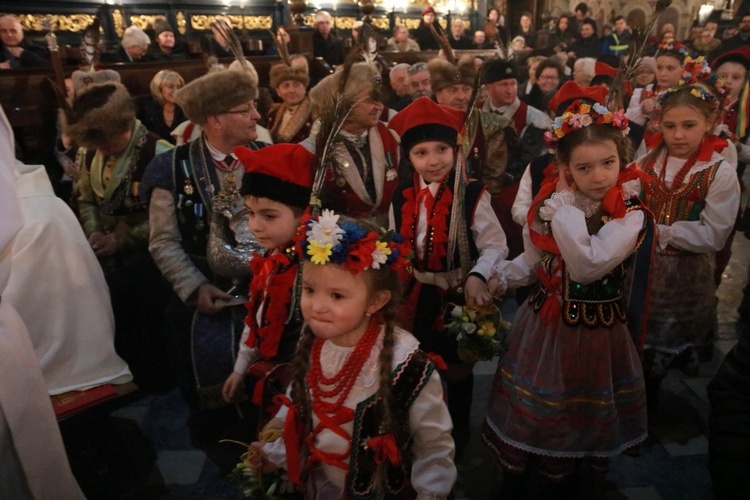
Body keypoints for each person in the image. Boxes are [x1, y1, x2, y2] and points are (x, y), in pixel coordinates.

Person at [483, 95, 649, 496]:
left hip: (597, 331)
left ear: (622, 159)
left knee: (583, 408)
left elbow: (586, 264)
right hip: (543, 324)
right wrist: (499, 277)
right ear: (566, 169)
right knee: (542, 405)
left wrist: (563, 208)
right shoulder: (553, 205)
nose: (599, 176)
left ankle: (576, 478)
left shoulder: (630, 213)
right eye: (584, 167)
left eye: (609, 163)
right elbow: (536, 259)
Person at [247, 212, 456, 499]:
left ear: (375, 301)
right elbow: (299, 400)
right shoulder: (313, 345)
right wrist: (275, 448)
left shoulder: (407, 366)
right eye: (309, 290)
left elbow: (434, 445)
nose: (317, 306)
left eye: (336, 296)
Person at [140, 70, 266, 463]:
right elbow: (163, 240)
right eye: (246, 110)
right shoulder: (171, 167)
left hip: (265, 294)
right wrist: (194, 289)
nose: (257, 116)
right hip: (204, 299)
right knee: (214, 406)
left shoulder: (264, 158)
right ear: (214, 120)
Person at [389, 96, 508, 457]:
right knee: (413, 366)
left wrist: (477, 275)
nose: (433, 160)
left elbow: (495, 245)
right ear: (409, 159)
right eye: (421, 152)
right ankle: (419, 435)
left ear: (456, 150)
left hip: (455, 297)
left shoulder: (472, 194)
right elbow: (395, 243)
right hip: (413, 296)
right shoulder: (402, 194)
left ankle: (457, 437)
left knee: (457, 371)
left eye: (441, 148)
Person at [62, 82, 175, 392]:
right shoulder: (89, 150)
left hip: (150, 262)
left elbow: (169, 219)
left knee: (147, 327)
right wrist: (94, 230)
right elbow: (85, 198)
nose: (101, 150)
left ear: (121, 126)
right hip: (108, 258)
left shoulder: (159, 152)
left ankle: (153, 385)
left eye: (107, 141)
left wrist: (122, 240)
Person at [636, 81, 740, 414]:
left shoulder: (718, 172)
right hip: (642, 268)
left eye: (689, 125)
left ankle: (655, 409)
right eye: (670, 126)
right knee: (637, 338)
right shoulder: (650, 156)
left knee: (668, 342)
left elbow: (715, 234)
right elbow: (628, 192)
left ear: (709, 123)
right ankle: (638, 405)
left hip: (686, 274)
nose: (678, 135)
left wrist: (661, 232)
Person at [5, 157, 132, 395]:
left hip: (54, 366)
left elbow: (15, 310)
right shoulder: (36, 202)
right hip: (78, 350)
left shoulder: (23, 217)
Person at [222, 144, 313, 409]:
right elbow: (256, 317)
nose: (255, 225)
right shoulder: (270, 260)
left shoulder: (314, 269)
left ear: (304, 214)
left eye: (269, 216)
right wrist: (241, 367)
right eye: (251, 213)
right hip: (273, 380)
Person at [302, 63, 400, 223]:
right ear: (342, 107)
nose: (379, 107)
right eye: (369, 100)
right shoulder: (313, 149)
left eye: (378, 99)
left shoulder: (393, 135)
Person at [625, 39, 689, 148]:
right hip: (645, 147)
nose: (663, 74)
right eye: (659, 68)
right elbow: (626, 125)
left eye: (670, 68)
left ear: (683, 70)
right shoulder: (642, 93)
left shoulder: (689, 95)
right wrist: (642, 110)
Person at [267, 61, 314, 144]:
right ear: (278, 91)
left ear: (305, 88)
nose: (292, 90)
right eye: (286, 85)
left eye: (297, 85)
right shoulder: (273, 113)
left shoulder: (315, 112)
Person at [138, 69, 186, 145]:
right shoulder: (147, 109)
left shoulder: (186, 108)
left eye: (179, 87)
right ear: (159, 89)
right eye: (170, 87)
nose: (176, 91)